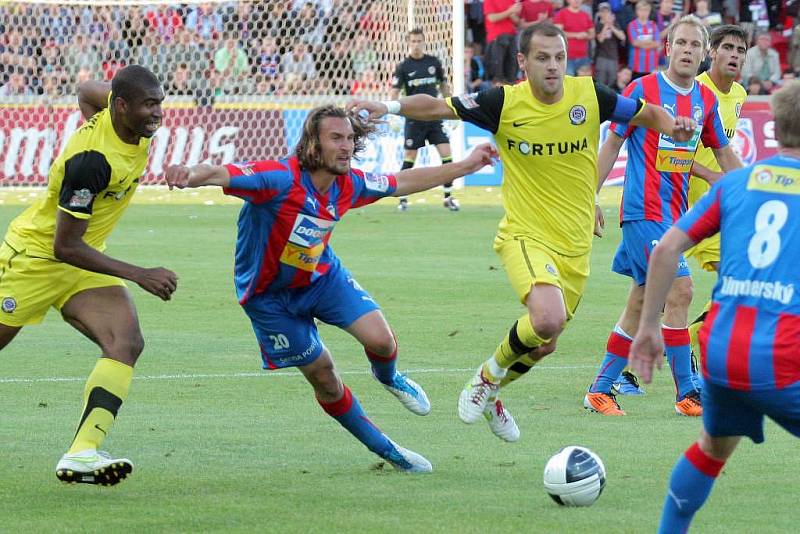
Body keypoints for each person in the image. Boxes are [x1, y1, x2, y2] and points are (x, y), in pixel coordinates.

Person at [350, 21, 696, 442]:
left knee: (544, 342)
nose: (553, 67)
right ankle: (487, 375)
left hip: (574, 247)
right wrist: (386, 107)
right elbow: (438, 107)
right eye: (542, 58)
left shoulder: (589, 95)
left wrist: (671, 124)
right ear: (522, 61)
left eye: (559, 58)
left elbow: (645, 113)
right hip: (525, 234)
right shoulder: (501, 102)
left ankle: (495, 392)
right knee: (546, 318)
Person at [164, 105, 497, 472]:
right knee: (325, 377)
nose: (346, 147)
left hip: (321, 278)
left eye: (350, 139)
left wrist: (467, 165)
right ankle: (389, 451)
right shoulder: (277, 178)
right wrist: (189, 174)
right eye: (336, 138)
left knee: (382, 342)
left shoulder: (349, 183)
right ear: (312, 144)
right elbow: (218, 172)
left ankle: (389, 377)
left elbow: (401, 182)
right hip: (269, 299)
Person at [629, 81, 800, 533]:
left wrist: (648, 327)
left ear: (776, 127)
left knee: (712, 447)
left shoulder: (737, 184)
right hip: (783, 356)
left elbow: (665, 250)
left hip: (722, 352)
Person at [0, 65, 175, 485]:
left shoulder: (121, 118)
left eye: (160, 103)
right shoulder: (91, 164)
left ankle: (82, 453)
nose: (158, 114)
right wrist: (139, 274)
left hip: (81, 263)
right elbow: (65, 246)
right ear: (122, 107)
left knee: (125, 341)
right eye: (149, 105)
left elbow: (85, 89)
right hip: (36, 260)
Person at [584, 16, 742, 416]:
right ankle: (687, 393)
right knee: (681, 291)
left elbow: (724, 154)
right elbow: (613, 143)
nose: (688, 50)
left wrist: (755, 194)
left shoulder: (705, 102)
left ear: (704, 54)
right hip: (641, 212)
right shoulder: (643, 89)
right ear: (667, 47)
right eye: (681, 43)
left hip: (675, 219)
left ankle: (600, 389)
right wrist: (590, 198)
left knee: (641, 303)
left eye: (695, 45)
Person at [683, 25, 749, 377]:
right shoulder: (696, 92)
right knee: (739, 279)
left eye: (741, 50)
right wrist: (709, 178)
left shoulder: (738, 94)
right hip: (696, 206)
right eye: (728, 48)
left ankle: (673, 344)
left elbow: (723, 150)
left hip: (722, 206)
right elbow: (672, 151)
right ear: (712, 52)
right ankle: (690, 338)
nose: (735, 55)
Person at [391, 28, 459, 212]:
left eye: (419, 41)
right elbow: (395, 92)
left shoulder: (433, 63)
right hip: (414, 118)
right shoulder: (403, 66)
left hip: (435, 116)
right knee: (410, 157)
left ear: (424, 42)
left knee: (447, 154)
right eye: (413, 41)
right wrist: (394, 115)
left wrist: (452, 108)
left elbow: (444, 86)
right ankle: (402, 198)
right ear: (408, 43)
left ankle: (448, 197)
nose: (416, 44)